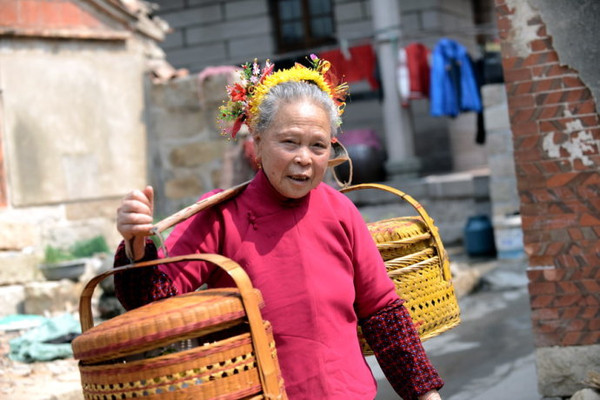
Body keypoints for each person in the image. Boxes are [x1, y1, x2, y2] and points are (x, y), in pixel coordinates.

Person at [114, 55, 444, 400]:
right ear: (256, 143)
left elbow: (382, 312)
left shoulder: (341, 212)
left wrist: (425, 394)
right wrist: (135, 244)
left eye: (317, 145)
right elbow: (150, 298)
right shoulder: (221, 215)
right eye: (289, 142)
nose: (304, 158)